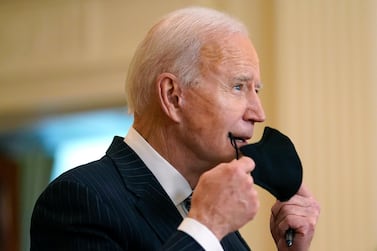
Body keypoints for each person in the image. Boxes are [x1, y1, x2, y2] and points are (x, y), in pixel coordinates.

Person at [30, 6, 320, 251]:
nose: (258, 113)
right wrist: (207, 226)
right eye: (238, 86)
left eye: (256, 90)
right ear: (172, 96)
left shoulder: (218, 220)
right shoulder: (78, 200)